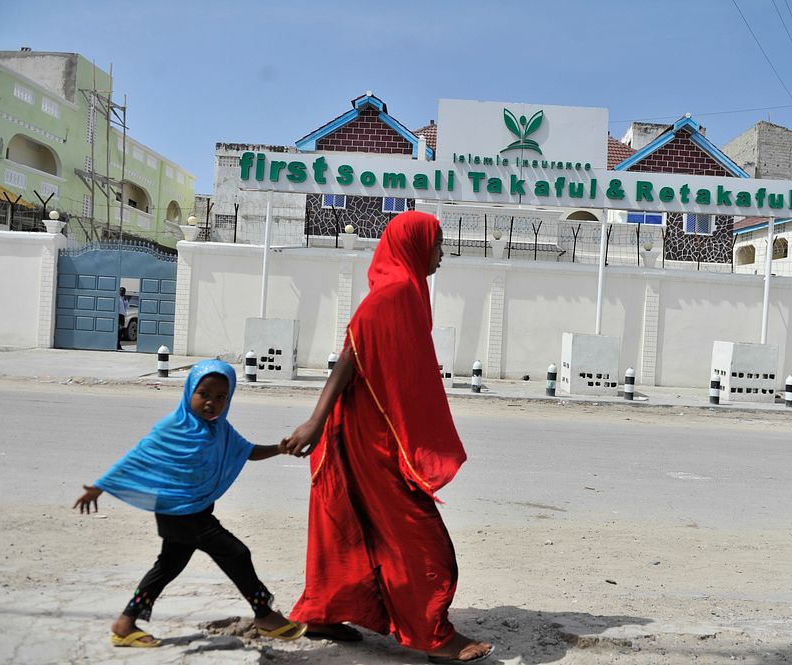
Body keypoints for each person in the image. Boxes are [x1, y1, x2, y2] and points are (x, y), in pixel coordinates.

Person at [281, 211, 493, 663]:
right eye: (436, 245)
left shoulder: (406, 292)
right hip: (369, 439)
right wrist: (315, 422)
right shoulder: (394, 294)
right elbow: (350, 357)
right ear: (414, 246)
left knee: (351, 522)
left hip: (374, 430)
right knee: (416, 535)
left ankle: (322, 612)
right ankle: (432, 634)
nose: (440, 255)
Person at [74, 359, 307, 648]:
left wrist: (278, 449)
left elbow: (246, 451)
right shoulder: (173, 426)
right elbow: (137, 457)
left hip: (194, 510)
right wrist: (100, 486)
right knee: (236, 553)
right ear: (189, 392)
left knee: (168, 566)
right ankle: (264, 614)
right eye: (204, 394)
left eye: (221, 397)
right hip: (180, 512)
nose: (212, 403)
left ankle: (125, 623)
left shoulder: (220, 429)